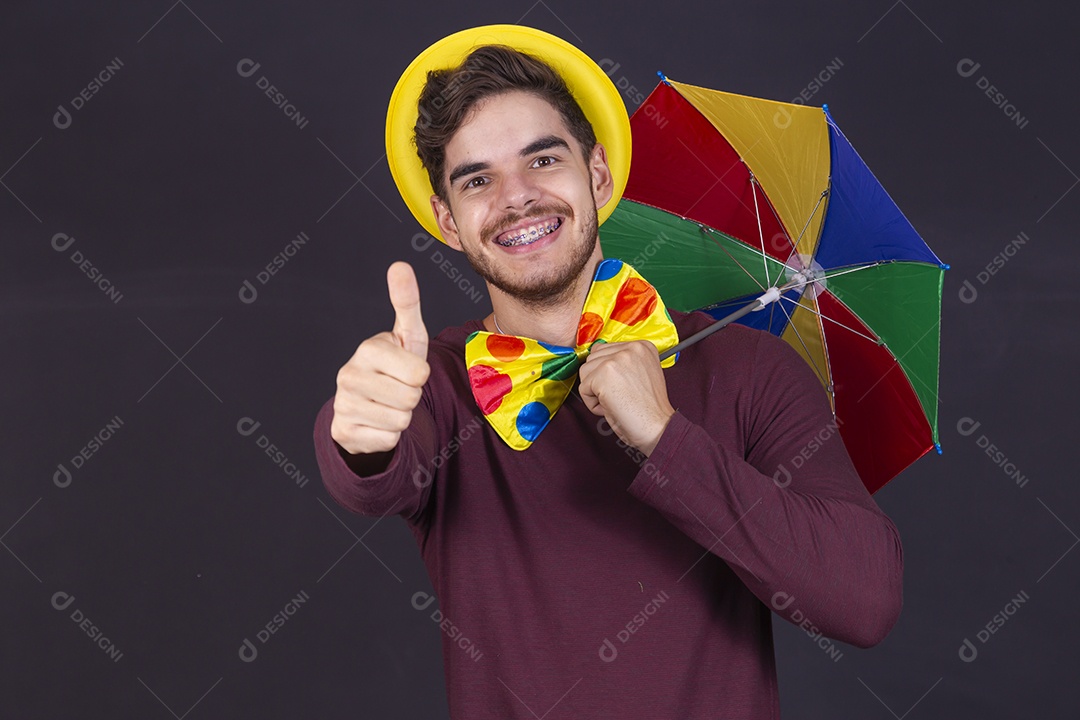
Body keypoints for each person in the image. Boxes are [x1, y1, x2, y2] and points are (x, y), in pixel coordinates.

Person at [313, 24, 903, 719]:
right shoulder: (439, 384)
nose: (516, 197)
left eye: (543, 159)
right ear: (447, 218)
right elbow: (366, 466)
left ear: (596, 174)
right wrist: (356, 430)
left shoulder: (750, 369)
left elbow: (864, 602)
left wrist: (663, 437)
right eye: (478, 179)